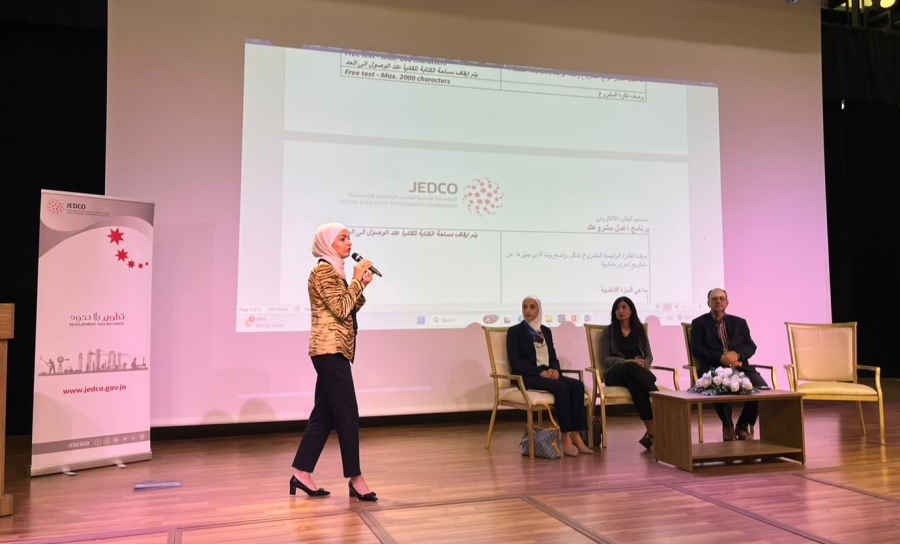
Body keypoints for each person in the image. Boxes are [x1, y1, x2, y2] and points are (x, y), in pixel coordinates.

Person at [290, 223, 378, 501]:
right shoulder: (323, 271)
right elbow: (341, 309)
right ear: (327, 244)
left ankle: (301, 472)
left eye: (349, 238)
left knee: (324, 414)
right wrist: (356, 281)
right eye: (342, 238)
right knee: (347, 414)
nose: (349, 243)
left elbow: (348, 306)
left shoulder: (335, 271)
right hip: (329, 349)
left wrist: (361, 286)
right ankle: (356, 479)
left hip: (336, 349)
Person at [507, 296, 592, 457]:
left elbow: (553, 357)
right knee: (561, 387)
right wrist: (539, 372)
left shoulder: (545, 331)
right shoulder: (515, 332)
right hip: (527, 376)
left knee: (577, 386)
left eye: (532, 307)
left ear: (539, 310)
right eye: (524, 307)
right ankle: (565, 436)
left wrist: (555, 370)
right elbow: (516, 362)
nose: (527, 310)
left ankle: (576, 435)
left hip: (546, 373)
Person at [690, 288, 768, 441]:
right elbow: (697, 350)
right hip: (713, 367)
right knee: (720, 386)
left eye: (721, 298)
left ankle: (742, 424)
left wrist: (736, 355)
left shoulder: (739, 322)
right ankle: (727, 426)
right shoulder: (699, 323)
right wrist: (722, 358)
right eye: (714, 299)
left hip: (739, 365)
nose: (718, 301)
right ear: (708, 303)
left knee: (763, 390)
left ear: (727, 302)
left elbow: (751, 346)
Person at [598, 296, 658, 450]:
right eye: (617, 308)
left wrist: (643, 363)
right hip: (614, 373)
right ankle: (657, 395)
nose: (620, 311)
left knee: (635, 386)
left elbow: (649, 357)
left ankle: (651, 431)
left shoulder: (639, 331)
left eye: (624, 307)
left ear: (631, 310)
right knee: (632, 367)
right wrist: (626, 362)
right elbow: (604, 359)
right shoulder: (608, 331)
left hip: (636, 374)